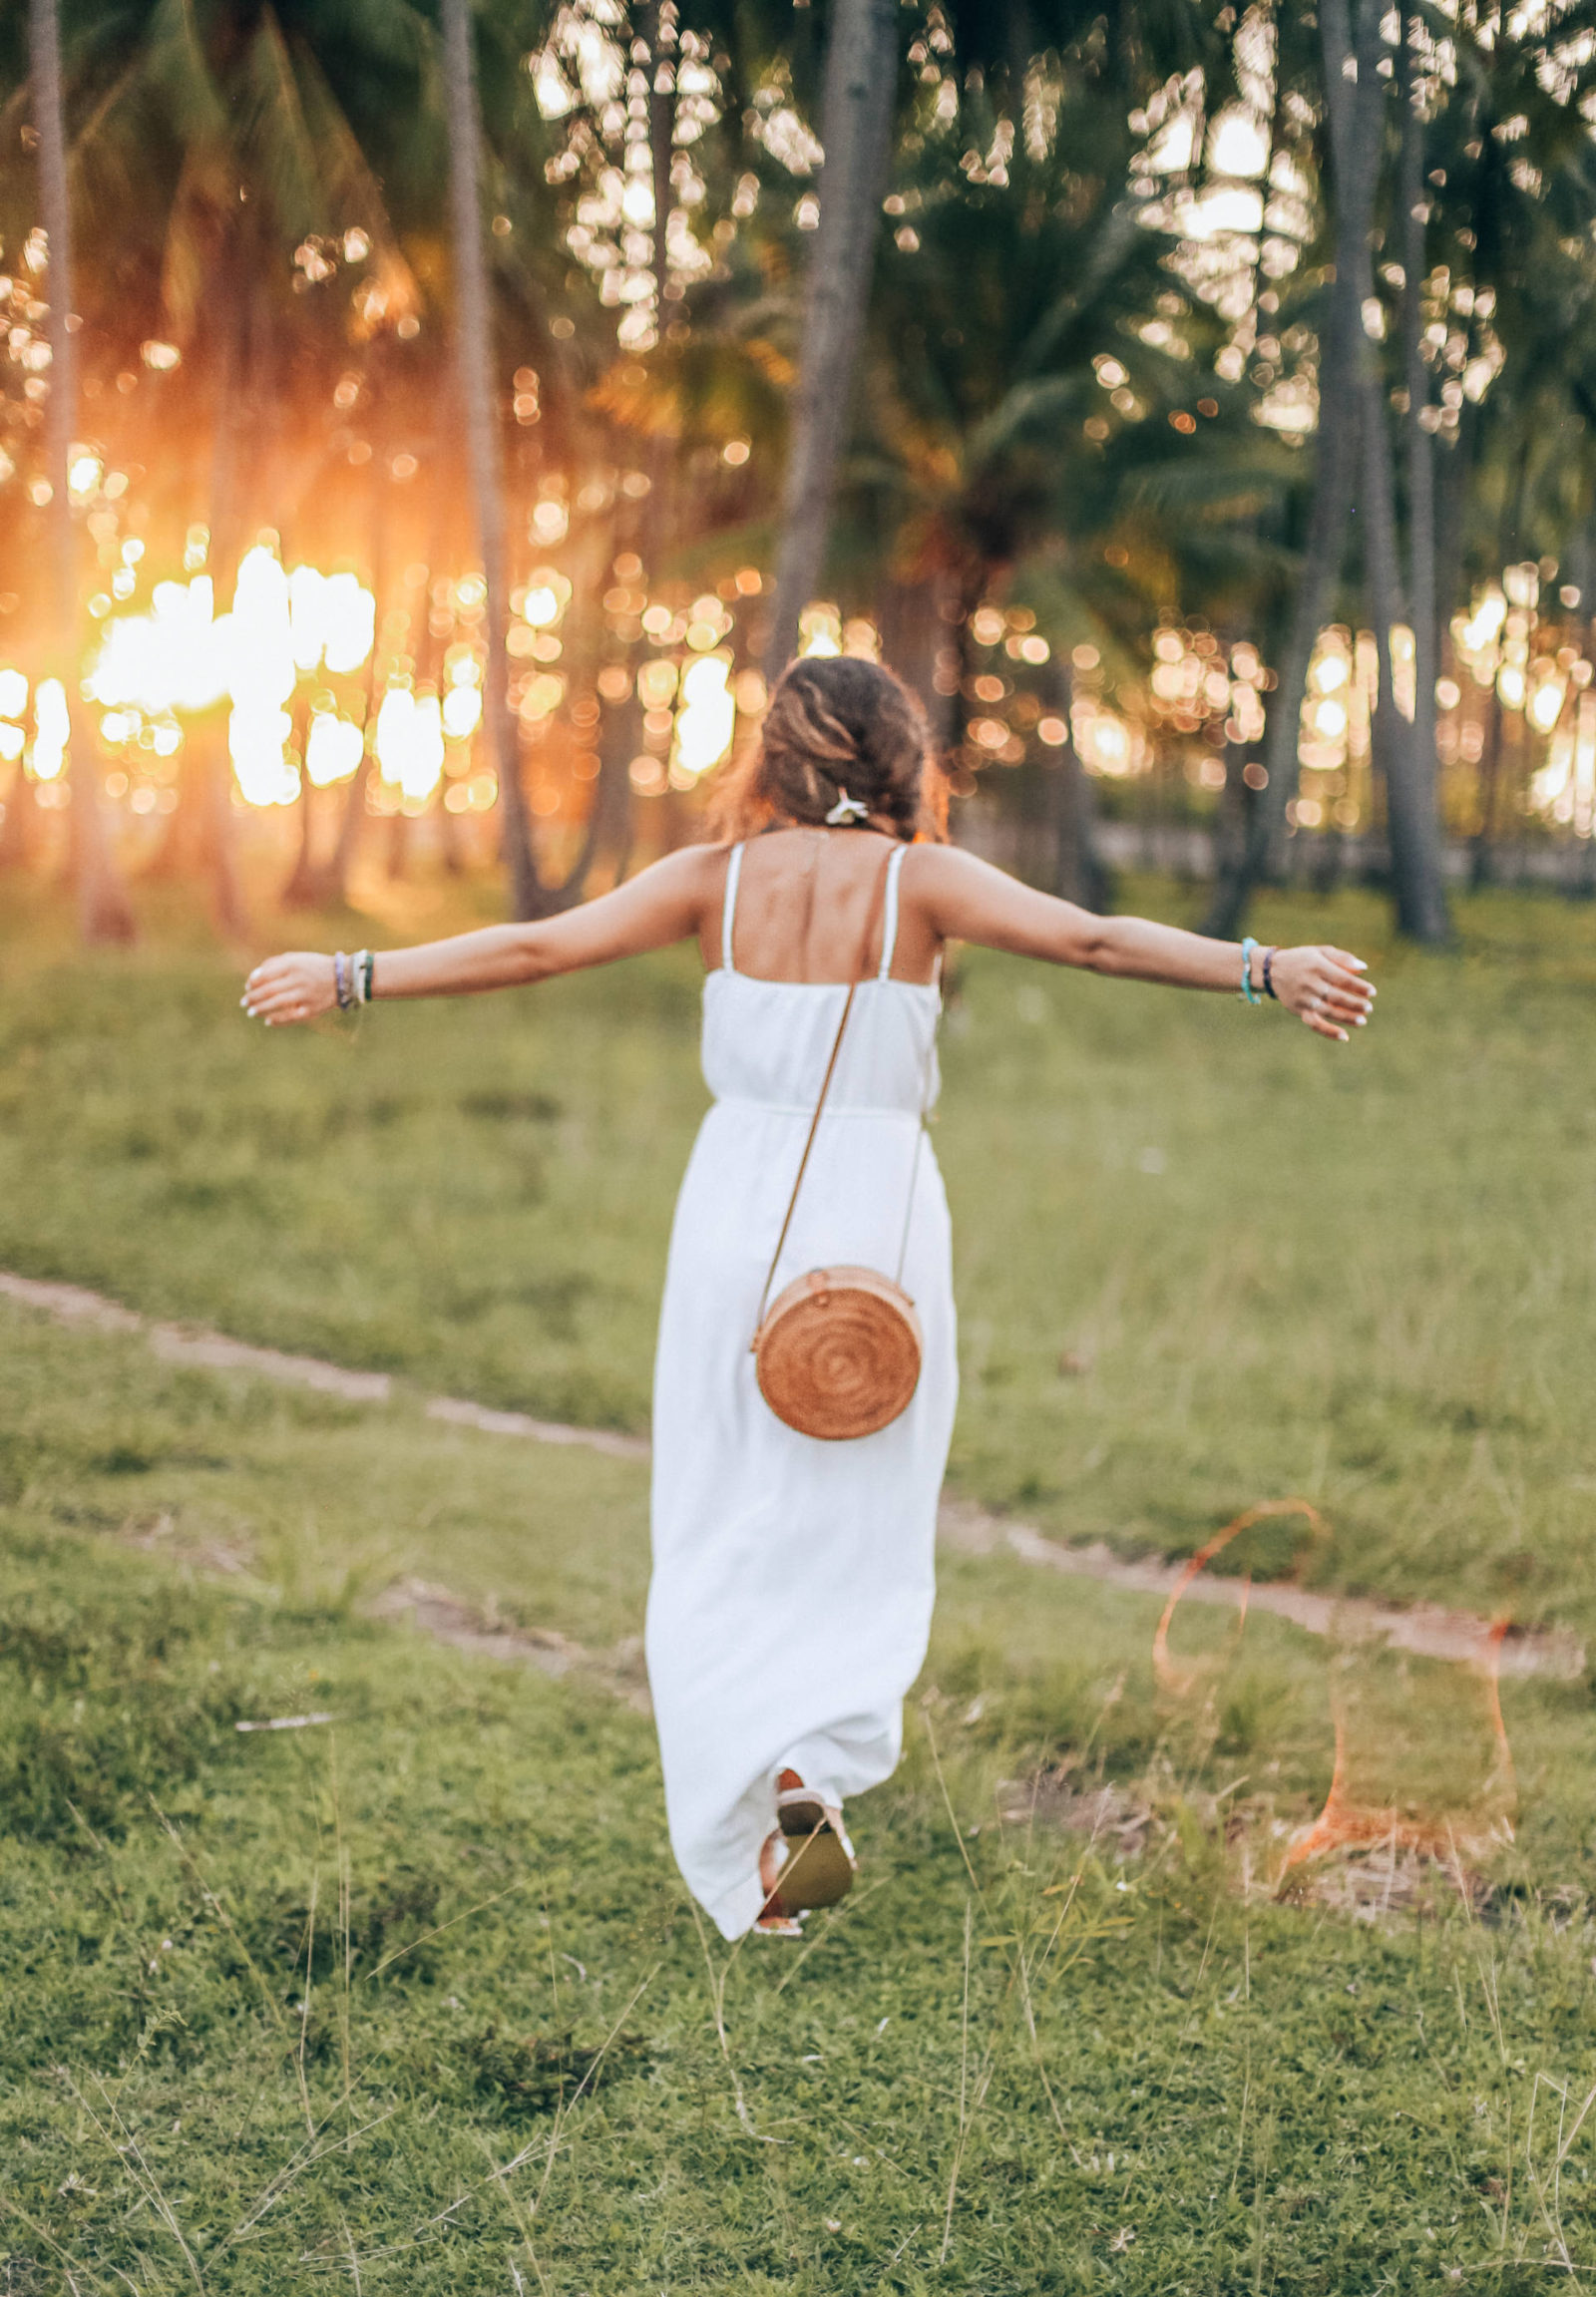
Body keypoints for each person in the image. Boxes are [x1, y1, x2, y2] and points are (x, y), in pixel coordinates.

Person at [242, 655, 1376, 1938]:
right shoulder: (920, 881)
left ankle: (759, 1801)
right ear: (901, 756)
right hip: (876, 1218)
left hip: (738, 1206)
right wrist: (1261, 967)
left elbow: (536, 947)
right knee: (858, 1510)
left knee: (723, 1504)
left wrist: (348, 975)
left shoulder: (712, 883)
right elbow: (1093, 938)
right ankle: (806, 1770)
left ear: (773, 756)